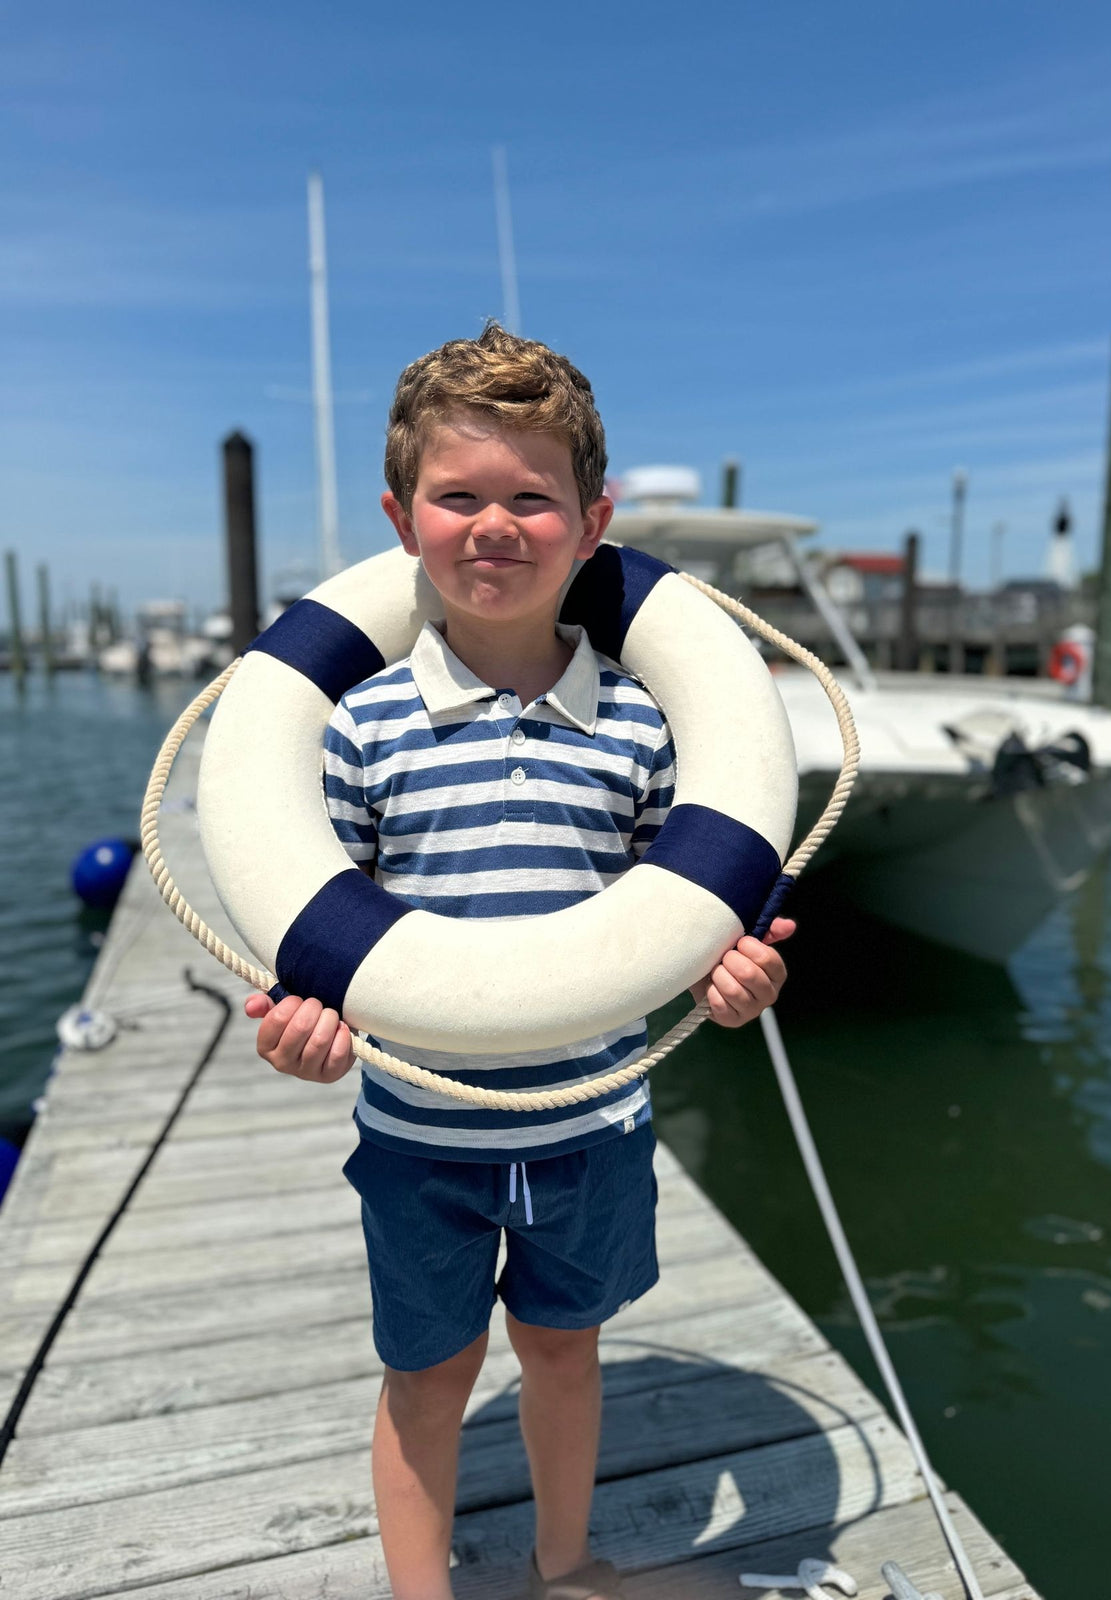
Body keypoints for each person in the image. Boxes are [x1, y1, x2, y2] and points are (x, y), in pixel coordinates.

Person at [245, 324, 794, 1600]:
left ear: (593, 521)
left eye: (532, 497)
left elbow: (693, 918)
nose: (494, 525)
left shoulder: (650, 729)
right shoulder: (355, 730)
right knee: (427, 1378)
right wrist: (295, 1035)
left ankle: (566, 1565)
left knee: (564, 1351)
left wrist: (736, 983)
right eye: (458, 495)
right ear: (402, 517)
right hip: (417, 1131)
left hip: (593, 1119)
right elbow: (308, 939)